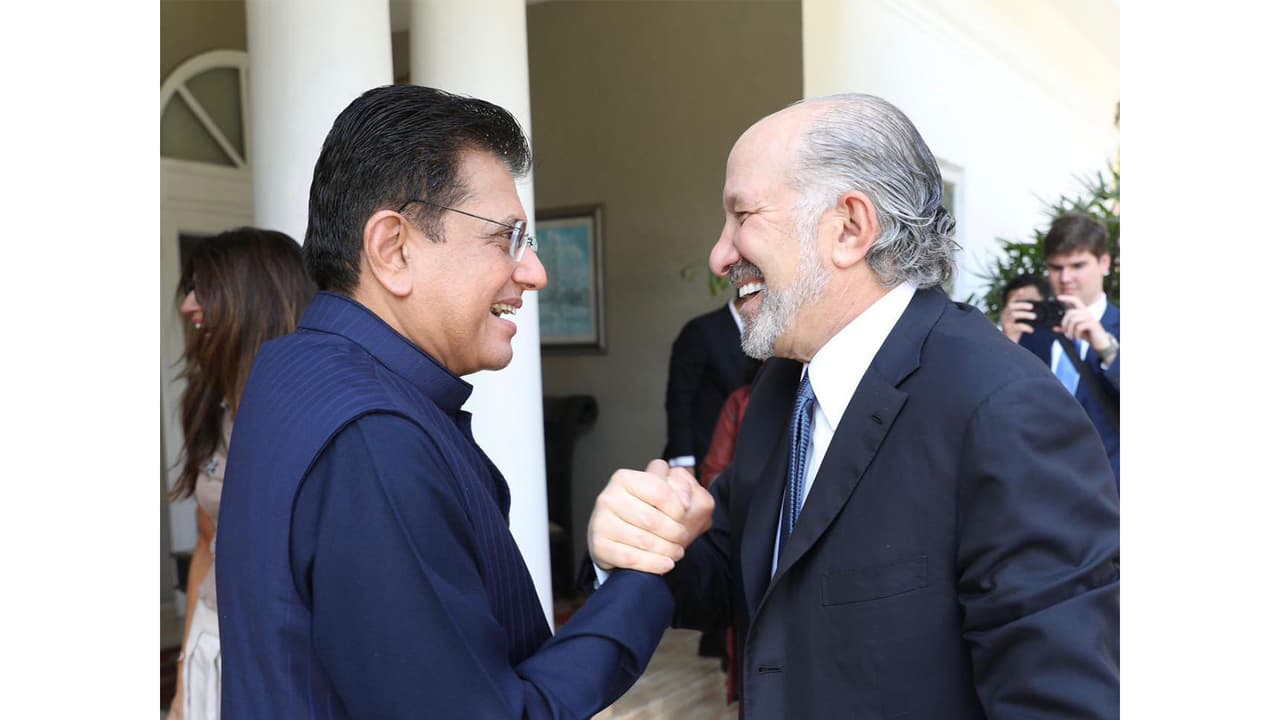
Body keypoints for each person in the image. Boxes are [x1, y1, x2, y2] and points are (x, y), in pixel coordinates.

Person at [587, 93, 1119, 718]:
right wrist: (643, 540)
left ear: (849, 228)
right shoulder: (782, 387)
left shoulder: (1005, 410)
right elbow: (744, 574)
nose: (720, 254)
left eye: (742, 216)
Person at [216, 85, 702, 719]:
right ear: (393, 249)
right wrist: (644, 576)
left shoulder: (292, 367)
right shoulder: (372, 437)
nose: (534, 273)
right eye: (507, 238)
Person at [166, 227, 315, 719]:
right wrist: (184, 688)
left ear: (255, 299)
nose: (189, 305)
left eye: (203, 288)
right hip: (214, 639)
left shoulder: (312, 418)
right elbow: (209, 544)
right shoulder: (213, 407)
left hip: (286, 662)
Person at [1018, 213, 1120, 483]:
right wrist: (1004, 342)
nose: (1066, 278)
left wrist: (1106, 347)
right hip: (1042, 487)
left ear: (1105, 262)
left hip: (1110, 492)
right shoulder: (1031, 330)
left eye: (1077, 265)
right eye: (1055, 267)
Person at [663, 297, 749, 479]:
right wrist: (683, 462)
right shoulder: (700, 331)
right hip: (702, 456)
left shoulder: (771, 335)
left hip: (742, 461)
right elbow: (679, 401)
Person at [997, 272, 1051, 342]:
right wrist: (1007, 340)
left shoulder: (1062, 331)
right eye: (1017, 306)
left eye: (1030, 303)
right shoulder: (1003, 341)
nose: (1023, 310)